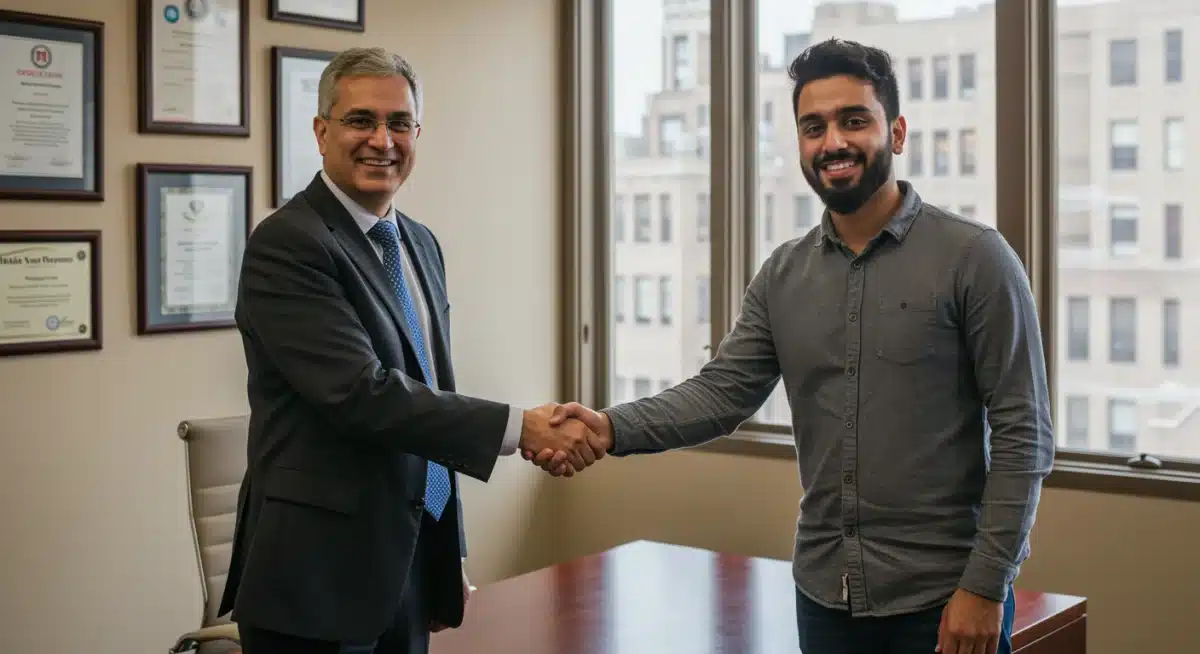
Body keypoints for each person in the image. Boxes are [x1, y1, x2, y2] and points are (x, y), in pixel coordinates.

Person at [532, 38, 1055, 654]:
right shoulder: (782, 275)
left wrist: (987, 585)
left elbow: (1024, 430)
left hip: (944, 603)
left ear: (897, 132)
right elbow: (720, 394)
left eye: (854, 120)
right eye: (814, 127)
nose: (832, 142)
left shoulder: (975, 257)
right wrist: (606, 428)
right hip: (825, 599)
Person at [219, 47, 604, 654]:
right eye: (360, 120)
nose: (383, 140)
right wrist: (521, 427)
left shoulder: (419, 244)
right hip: (315, 584)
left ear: (417, 134)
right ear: (321, 132)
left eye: (400, 123)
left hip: (407, 569)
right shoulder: (288, 244)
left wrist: (447, 553)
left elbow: (429, 393)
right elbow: (363, 394)